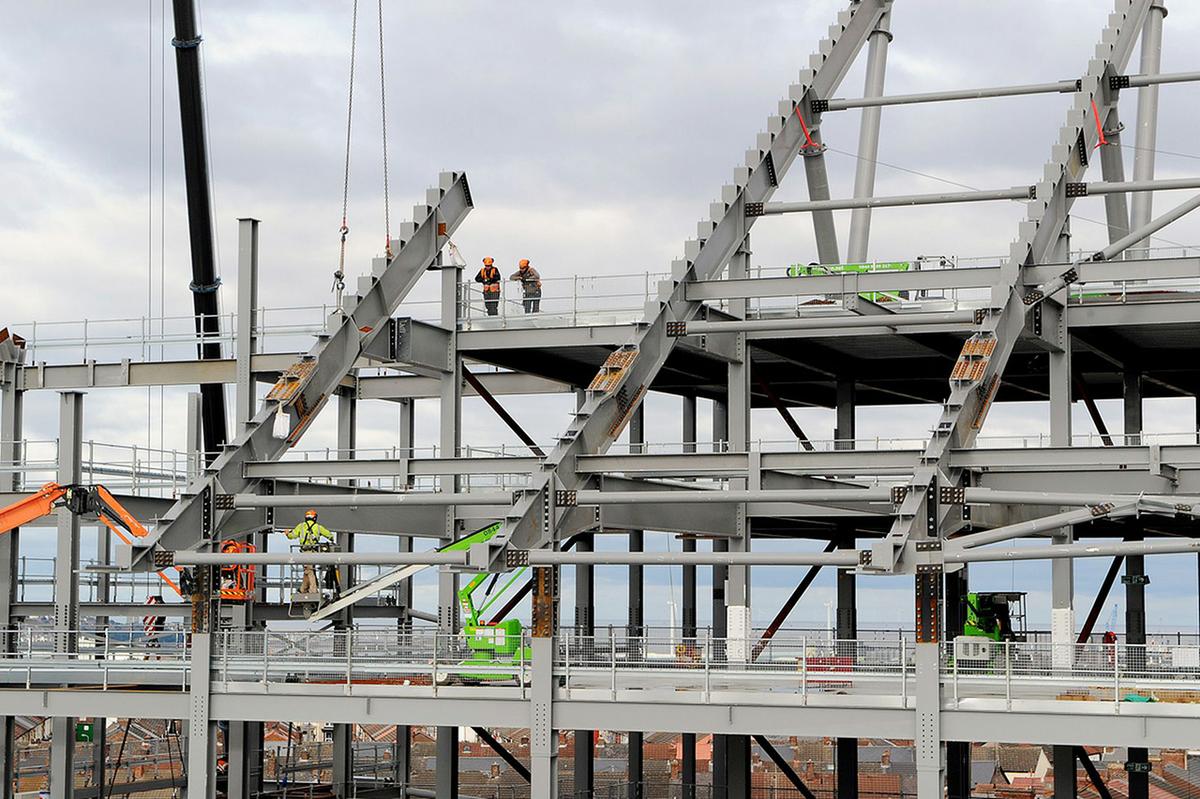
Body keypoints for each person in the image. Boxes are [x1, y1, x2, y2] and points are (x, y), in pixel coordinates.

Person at [286, 509, 335, 596]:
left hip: (305, 552)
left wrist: (287, 533)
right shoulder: (318, 527)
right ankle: (303, 589)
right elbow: (329, 535)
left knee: (309, 571)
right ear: (315, 518)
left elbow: (291, 536)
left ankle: (313, 590)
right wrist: (331, 539)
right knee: (308, 570)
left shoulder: (301, 526)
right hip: (315, 552)